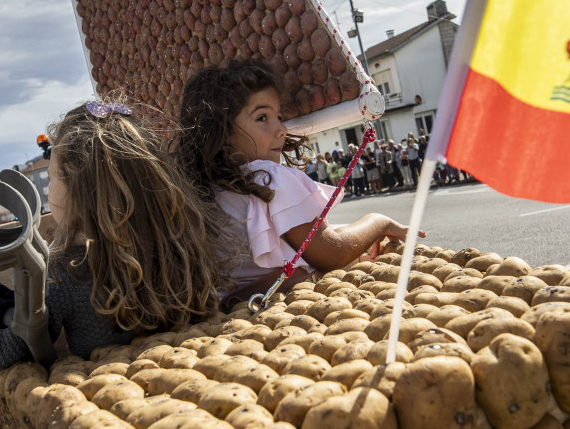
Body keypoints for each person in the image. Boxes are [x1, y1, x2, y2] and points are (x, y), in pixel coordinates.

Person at [0, 100, 226, 381]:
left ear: (77, 191)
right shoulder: (187, 243)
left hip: (116, 397)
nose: (49, 192)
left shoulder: (69, 272)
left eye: (51, 178)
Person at [176, 59, 422, 301]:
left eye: (278, 116)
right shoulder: (268, 176)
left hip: (230, 313)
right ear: (221, 131)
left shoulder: (204, 186)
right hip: (285, 304)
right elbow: (332, 252)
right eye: (262, 117)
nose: (281, 129)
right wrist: (379, 222)